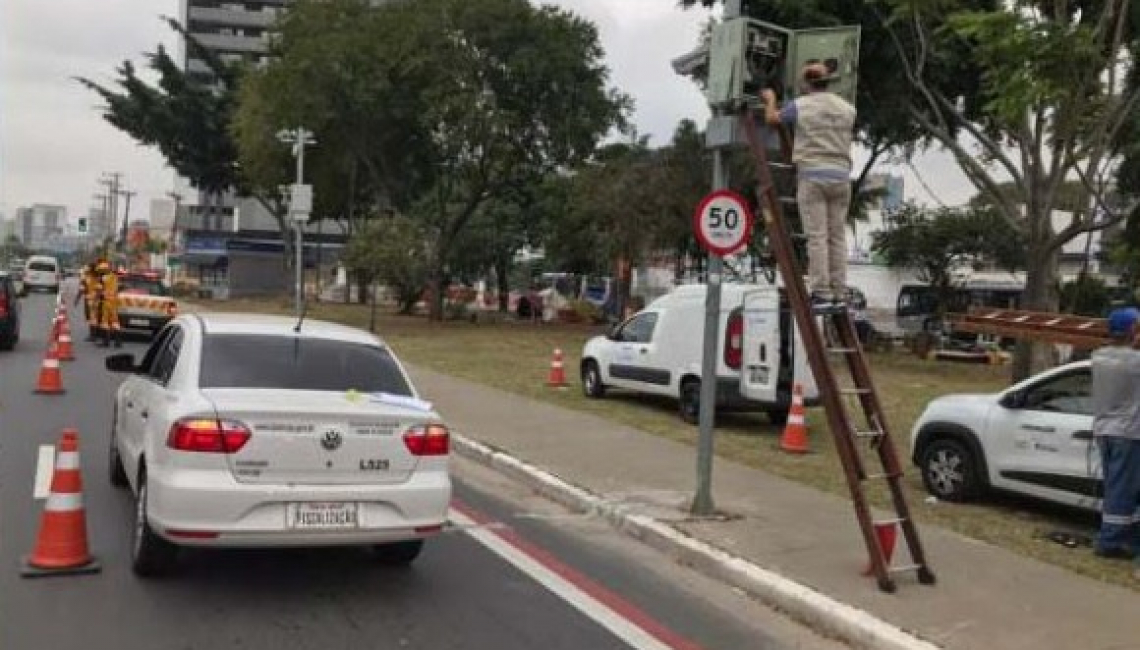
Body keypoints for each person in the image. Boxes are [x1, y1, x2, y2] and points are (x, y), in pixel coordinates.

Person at [761, 62, 857, 308]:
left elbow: (773, 119)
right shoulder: (848, 109)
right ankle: (840, 292)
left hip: (813, 175)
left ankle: (822, 292)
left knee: (817, 236)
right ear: (829, 81)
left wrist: (770, 98)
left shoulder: (801, 106)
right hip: (841, 176)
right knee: (837, 236)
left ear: (806, 83)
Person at [1090, 306, 1140, 573]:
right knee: (1122, 490)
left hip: (1105, 431)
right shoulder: (1133, 362)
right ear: (1133, 330)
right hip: (1128, 433)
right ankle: (1109, 542)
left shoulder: (1099, 356)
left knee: (1119, 487)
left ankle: (1125, 538)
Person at [95, 261, 122, 348]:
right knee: (115, 322)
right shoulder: (114, 277)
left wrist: (96, 299)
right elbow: (118, 288)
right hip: (114, 302)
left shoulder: (102, 279)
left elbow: (99, 290)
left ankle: (106, 342)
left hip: (106, 302)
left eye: (100, 271)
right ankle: (118, 342)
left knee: (105, 322)